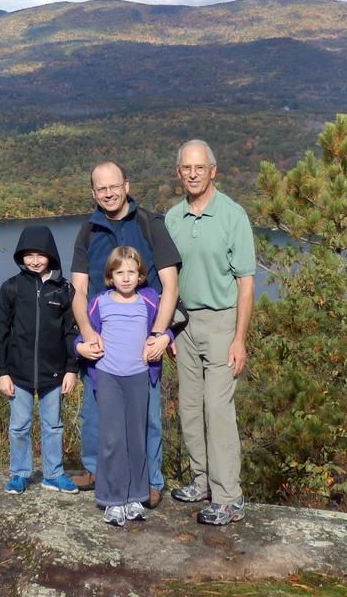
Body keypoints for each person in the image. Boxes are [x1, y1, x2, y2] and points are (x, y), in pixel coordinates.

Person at [70, 161, 180, 507]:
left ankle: (151, 481)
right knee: (95, 411)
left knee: (145, 415)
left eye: (114, 186)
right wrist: (86, 333)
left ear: (127, 185)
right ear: (93, 193)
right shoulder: (89, 230)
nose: (109, 193)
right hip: (102, 339)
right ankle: (95, 469)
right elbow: (78, 289)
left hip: (140, 339)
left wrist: (161, 333)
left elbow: (170, 285)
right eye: (101, 188)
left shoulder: (149, 224)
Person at [164, 140, 255, 526]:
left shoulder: (233, 216)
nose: (193, 173)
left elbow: (246, 283)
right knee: (189, 407)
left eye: (200, 167)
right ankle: (202, 482)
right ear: (179, 173)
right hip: (184, 324)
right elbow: (168, 279)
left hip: (222, 323)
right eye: (187, 167)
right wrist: (168, 327)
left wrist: (240, 339)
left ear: (213, 170)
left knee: (218, 409)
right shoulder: (172, 218)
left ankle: (229, 497)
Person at [81, 246, 173, 525]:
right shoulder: (100, 302)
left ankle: (135, 496)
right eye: (119, 272)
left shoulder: (148, 301)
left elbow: (163, 329)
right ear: (110, 276)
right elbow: (84, 335)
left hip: (138, 377)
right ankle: (112, 499)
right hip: (108, 377)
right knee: (112, 439)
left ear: (141, 275)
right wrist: (80, 347)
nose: (125, 278)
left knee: (136, 437)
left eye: (131, 272)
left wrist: (166, 338)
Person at [0, 224, 79, 495]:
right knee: (19, 426)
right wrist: (1, 371)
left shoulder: (63, 289)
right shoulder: (11, 288)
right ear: (21, 256)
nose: (35, 260)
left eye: (40, 254)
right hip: (19, 374)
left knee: (53, 425)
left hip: (54, 373)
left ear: (50, 254)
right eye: (29, 255)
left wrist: (71, 369)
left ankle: (54, 474)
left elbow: (71, 332)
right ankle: (19, 473)